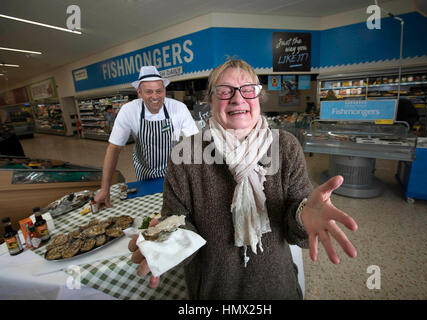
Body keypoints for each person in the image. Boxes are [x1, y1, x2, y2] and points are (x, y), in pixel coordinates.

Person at [128, 59, 358, 299]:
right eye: (225, 91)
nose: (238, 99)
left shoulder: (285, 146)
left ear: (257, 97)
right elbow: (177, 220)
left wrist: (303, 216)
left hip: (276, 287)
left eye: (248, 90)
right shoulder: (185, 154)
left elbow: (295, 220)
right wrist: (167, 243)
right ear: (210, 101)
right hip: (213, 290)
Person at [95, 66, 199, 209]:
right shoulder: (129, 111)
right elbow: (114, 148)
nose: (155, 96)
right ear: (139, 93)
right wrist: (105, 189)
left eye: (159, 91)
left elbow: (194, 144)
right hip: (145, 173)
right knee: (150, 210)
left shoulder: (178, 108)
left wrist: (197, 180)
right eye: (149, 92)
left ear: (165, 90)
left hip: (173, 171)